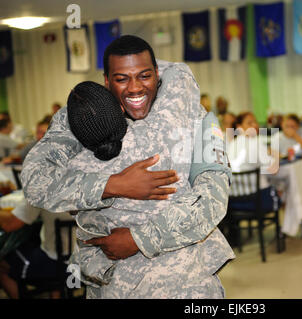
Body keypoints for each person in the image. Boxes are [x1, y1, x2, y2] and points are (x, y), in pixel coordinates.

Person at [21, 35, 234, 298]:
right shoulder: (81, 118)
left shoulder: (193, 114)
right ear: (107, 80)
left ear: (157, 74)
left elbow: (213, 198)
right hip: (114, 284)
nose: (134, 88)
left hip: (187, 283)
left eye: (144, 76)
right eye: (122, 79)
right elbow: (34, 181)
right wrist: (114, 185)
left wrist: (138, 239)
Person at [0, 198, 73, 299]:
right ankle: (56, 292)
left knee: (3, 266)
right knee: (42, 244)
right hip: (84, 262)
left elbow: (9, 224)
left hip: (57, 265)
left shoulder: (41, 190)